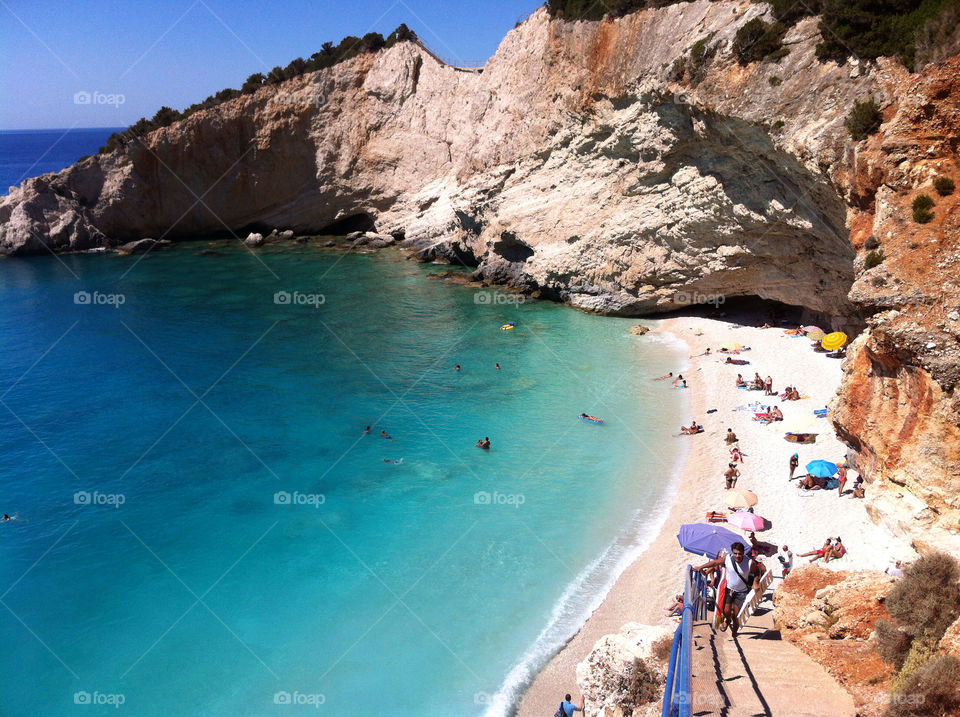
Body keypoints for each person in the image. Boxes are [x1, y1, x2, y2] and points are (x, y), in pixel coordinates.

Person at [694, 542, 761, 635]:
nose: (737, 556)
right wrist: (701, 567)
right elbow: (715, 562)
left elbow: (758, 571)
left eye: (740, 553)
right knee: (726, 611)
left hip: (741, 592)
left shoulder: (749, 563)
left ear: (743, 552)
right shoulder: (728, 558)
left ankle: (734, 629)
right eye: (735, 553)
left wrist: (755, 582)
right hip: (729, 589)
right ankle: (727, 621)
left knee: (735, 615)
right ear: (732, 552)